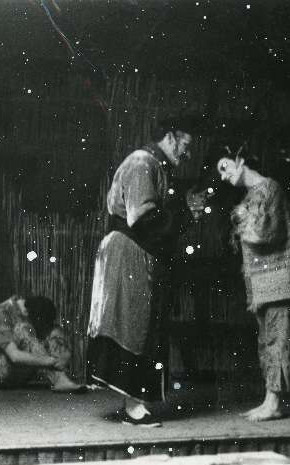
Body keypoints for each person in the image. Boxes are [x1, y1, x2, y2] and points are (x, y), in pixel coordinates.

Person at [86, 116, 207, 427]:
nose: (188, 153)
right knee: (134, 325)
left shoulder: (156, 166)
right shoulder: (143, 162)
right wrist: (185, 216)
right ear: (170, 137)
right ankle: (133, 406)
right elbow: (141, 217)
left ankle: (134, 403)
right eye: (186, 144)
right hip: (130, 252)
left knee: (140, 324)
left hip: (137, 253)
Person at [215, 144, 290, 421]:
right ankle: (276, 400)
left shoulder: (269, 188)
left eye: (225, 167)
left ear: (241, 159)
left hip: (278, 281)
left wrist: (240, 223)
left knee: (278, 339)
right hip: (262, 283)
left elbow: (263, 233)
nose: (223, 175)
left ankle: (275, 402)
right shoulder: (251, 195)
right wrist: (242, 222)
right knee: (268, 340)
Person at [0, 295, 85, 393]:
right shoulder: (2, 314)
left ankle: (61, 377)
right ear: (27, 313)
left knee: (55, 331)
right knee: (23, 329)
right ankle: (59, 379)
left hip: (18, 374)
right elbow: (14, 356)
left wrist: (61, 355)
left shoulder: (24, 309)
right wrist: (51, 361)